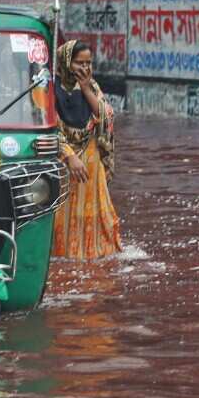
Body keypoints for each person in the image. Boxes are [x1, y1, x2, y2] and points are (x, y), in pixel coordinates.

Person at [52, 40, 122, 260]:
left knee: (98, 214)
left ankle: (94, 255)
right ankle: (66, 258)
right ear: (66, 62)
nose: (84, 68)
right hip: (63, 164)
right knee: (63, 217)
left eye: (88, 63)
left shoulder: (91, 86)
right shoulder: (49, 87)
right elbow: (49, 128)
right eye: (79, 63)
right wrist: (69, 156)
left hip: (91, 163)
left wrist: (85, 88)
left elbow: (106, 116)